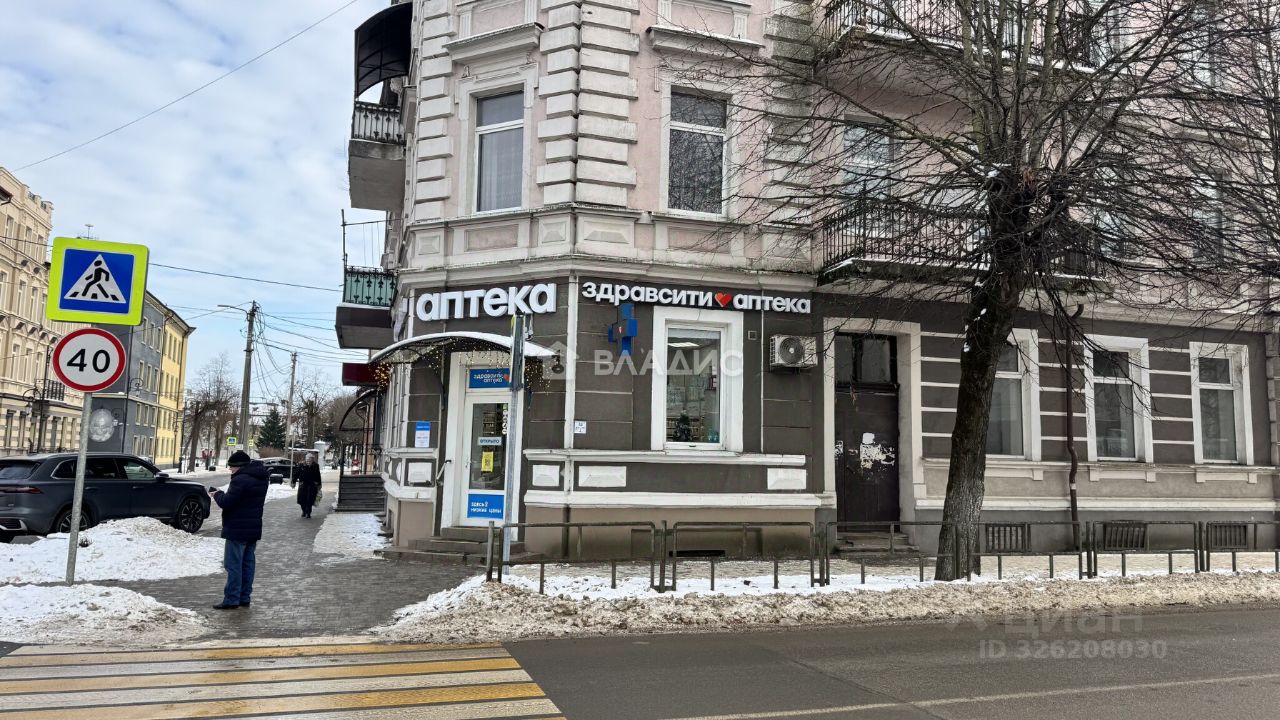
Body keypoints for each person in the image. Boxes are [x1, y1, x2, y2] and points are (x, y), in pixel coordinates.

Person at [207, 450, 269, 610]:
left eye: (232, 466)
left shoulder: (240, 480)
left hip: (237, 529)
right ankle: (244, 597)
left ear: (239, 466)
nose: (230, 469)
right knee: (248, 565)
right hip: (253, 528)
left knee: (233, 565)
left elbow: (227, 502)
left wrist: (217, 494)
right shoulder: (261, 478)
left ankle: (232, 599)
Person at [293, 453, 322, 519]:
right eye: (308, 460)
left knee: (310, 499)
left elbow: (318, 475)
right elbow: (296, 473)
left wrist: (319, 484)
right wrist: (293, 481)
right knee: (302, 499)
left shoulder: (315, 466)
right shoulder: (301, 465)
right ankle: (304, 511)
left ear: (312, 460)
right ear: (305, 460)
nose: (309, 461)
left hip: (312, 485)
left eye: (310, 460)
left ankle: (308, 513)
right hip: (303, 484)